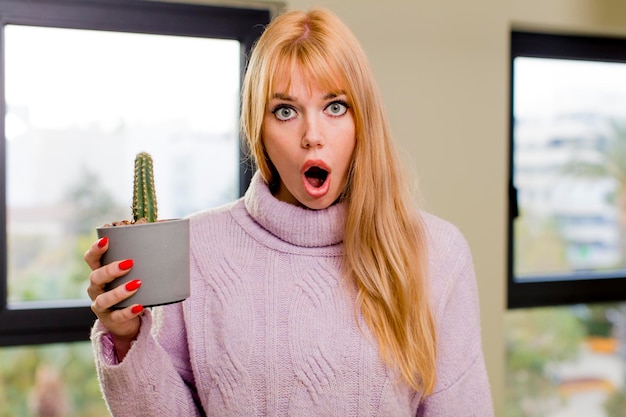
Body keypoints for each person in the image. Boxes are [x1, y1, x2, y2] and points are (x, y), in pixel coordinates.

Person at [85, 7, 494, 416]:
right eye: (285, 111)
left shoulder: (439, 253)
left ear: (363, 119)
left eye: (335, 107)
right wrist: (125, 338)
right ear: (258, 127)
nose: (312, 137)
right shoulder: (197, 249)